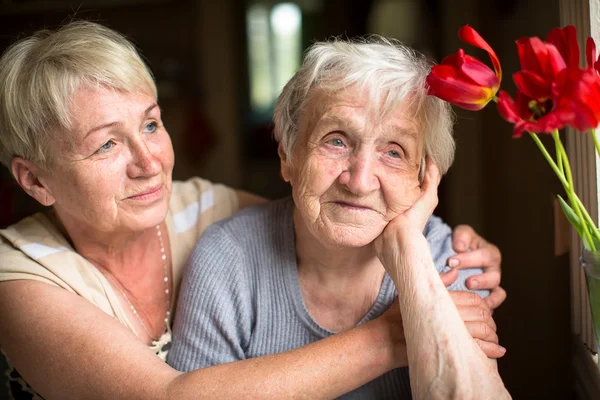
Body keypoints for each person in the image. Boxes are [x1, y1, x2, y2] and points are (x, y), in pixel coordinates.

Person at [0, 21, 504, 400]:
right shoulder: (18, 278)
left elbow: (326, 215)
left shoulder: (202, 207)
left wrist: (421, 245)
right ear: (35, 180)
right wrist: (401, 331)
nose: (150, 162)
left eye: (152, 125)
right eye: (107, 144)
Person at [168, 37, 510, 398]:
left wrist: (411, 257)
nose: (360, 181)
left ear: (425, 178)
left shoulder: (449, 264)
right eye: (336, 141)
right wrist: (394, 336)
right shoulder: (227, 258)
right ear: (288, 155)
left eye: (394, 152)